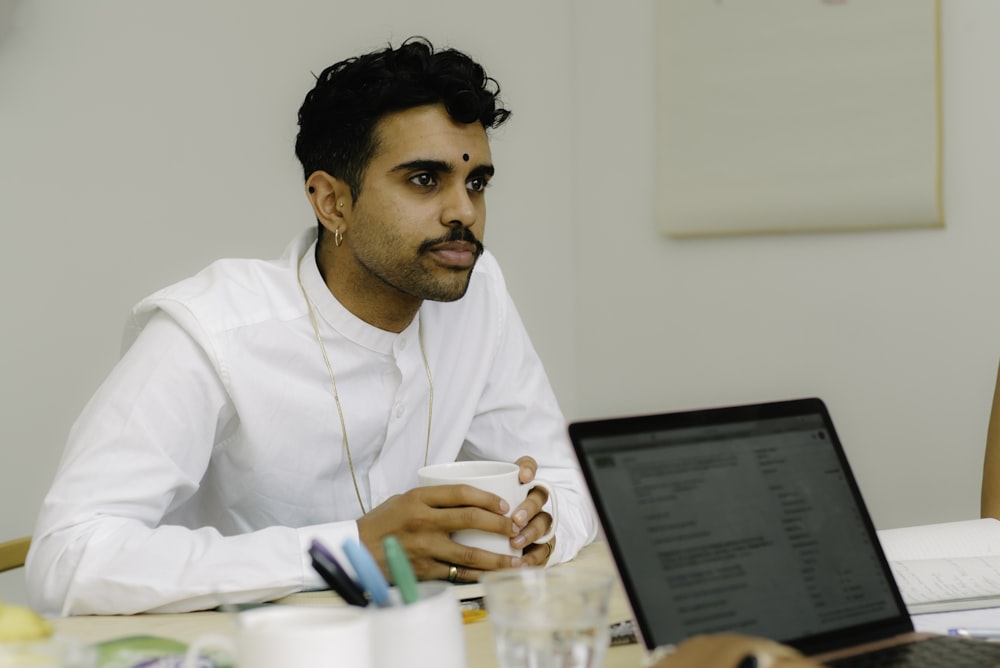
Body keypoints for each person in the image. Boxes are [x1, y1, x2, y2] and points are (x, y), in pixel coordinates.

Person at [25, 36, 599, 616]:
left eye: (476, 183)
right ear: (331, 202)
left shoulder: (480, 293)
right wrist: (345, 549)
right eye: (425, 179)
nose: (465, 212)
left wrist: (539, 526)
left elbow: (568, 486)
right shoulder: (212, 331)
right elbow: (66, 557)